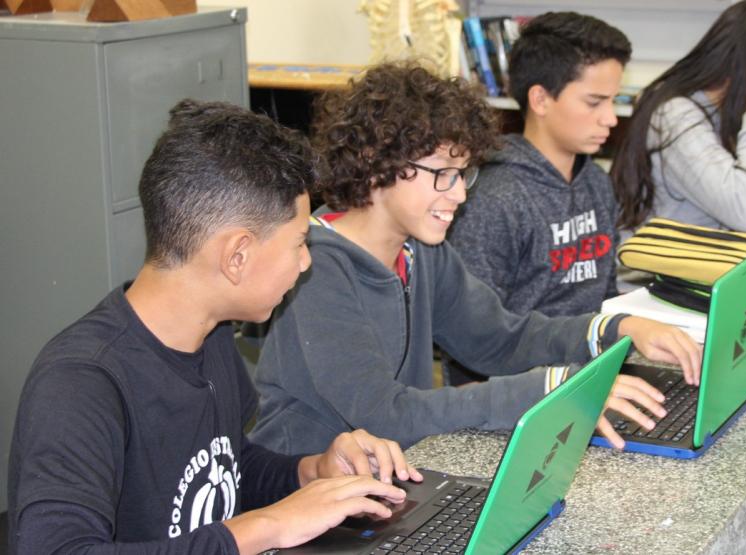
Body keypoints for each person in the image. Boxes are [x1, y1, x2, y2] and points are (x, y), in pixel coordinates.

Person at [7, 99, 423, 555]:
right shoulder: (81, 383)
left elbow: (227, 468)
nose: (306, 264)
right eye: (300, 243)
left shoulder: (211, 334)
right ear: (236, 255)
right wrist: (269, 525)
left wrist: (312, 473)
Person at [251, 62, 702, 458]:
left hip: (391, 470)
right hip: (306, 494)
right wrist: (549, 389)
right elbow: (385, 415)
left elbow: (499, 341)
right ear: (375, 164)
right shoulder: (316, 269)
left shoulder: (421, 252)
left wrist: (614, 329)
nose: (461, 193)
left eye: (463, 173)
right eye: (442, 175)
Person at [447, 11, 678, 385]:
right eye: (594, 102)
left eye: (613, 101)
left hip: (592, 372)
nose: (611, 118)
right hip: (525, 391)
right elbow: (473, 343)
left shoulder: (595, 183)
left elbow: (604, 298)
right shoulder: (494, 199)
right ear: (540, 99)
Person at [613, 0, 746, 232]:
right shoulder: (674, 116)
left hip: (712, 255)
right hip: (664, 265)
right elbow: (745, 214)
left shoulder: (729, 106)